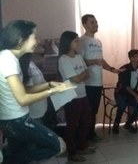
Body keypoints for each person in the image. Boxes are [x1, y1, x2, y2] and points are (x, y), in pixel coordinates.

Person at [0, 20, 72, 164]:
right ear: (21, 39)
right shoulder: (7, 60)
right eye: (34, 37)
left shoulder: (11, 58)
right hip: (16, 120)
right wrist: (52, 91)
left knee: (19, 152)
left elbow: (24, 89)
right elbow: (23, 99)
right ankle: (8, 160)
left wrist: (49, 84)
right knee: (58, 145)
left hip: (14, 119)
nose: (38, 41)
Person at [79, 14, 122, 141]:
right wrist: (94, 62)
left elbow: (101, 61)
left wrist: (113, 70)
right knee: (87, 111)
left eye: (96, 22)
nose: (96, 24)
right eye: (92, 22)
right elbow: (79, 62)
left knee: (94, 111)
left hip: (98, 82)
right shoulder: (82, 41)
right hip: (87, 83)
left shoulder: (98, 42)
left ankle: (91, 135)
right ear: (85, 25)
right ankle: (85, 137)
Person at [58, 31, 96, 162]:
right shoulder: (64, 59)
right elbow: (76, 79)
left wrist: (81, 75)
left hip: (82, 94)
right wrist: (82, 75)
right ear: (68, 43)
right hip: (72, 97)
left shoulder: (78, 56)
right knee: (72, 125)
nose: (78, 43)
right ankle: (72, 152)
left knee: (86, 121)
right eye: (76, 41)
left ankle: (82, 146)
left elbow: (87, 74)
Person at [112, 49, 138, 134]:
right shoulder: (124, 69)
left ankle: (128, 124)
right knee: (122, 106)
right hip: (121, 93)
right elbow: (126, 86)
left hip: (132, 95)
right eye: (137, 56)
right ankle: (116, 124)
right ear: (131, 58)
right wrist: (137, 97)